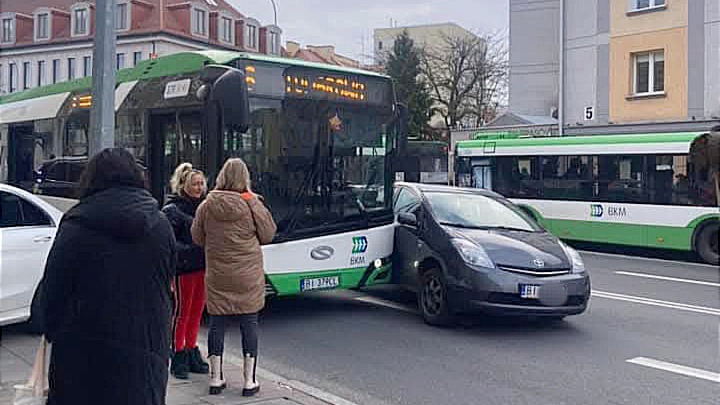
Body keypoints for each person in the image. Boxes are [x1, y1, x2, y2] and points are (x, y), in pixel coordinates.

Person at [39, 148, 176, 405]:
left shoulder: (76, 226)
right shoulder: (159, 224)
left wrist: (52, 329)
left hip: (81, 356)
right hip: (144, 352)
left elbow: (52, 294)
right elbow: (168, 285)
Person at [191, 158, 276, 397]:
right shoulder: (252, 203)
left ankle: (216, 378)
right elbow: (268, 234)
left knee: (217, 323)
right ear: (244, 178)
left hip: (218, 273)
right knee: (249, 323)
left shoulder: (208, 205)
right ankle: (249, 381)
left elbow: (197, 237)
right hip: (247, 274)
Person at [162, 163, 209, 379]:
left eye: (201, 184)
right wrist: (192, 251)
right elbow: (168, 242)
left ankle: (191, 348)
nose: (199, 188)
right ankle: (178, 352)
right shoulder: (172, 210)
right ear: (184, 186)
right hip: (184, 270)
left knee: (196, 312)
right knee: (182, 313)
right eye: (195, 184)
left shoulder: (206, 207)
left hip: (202, 268)